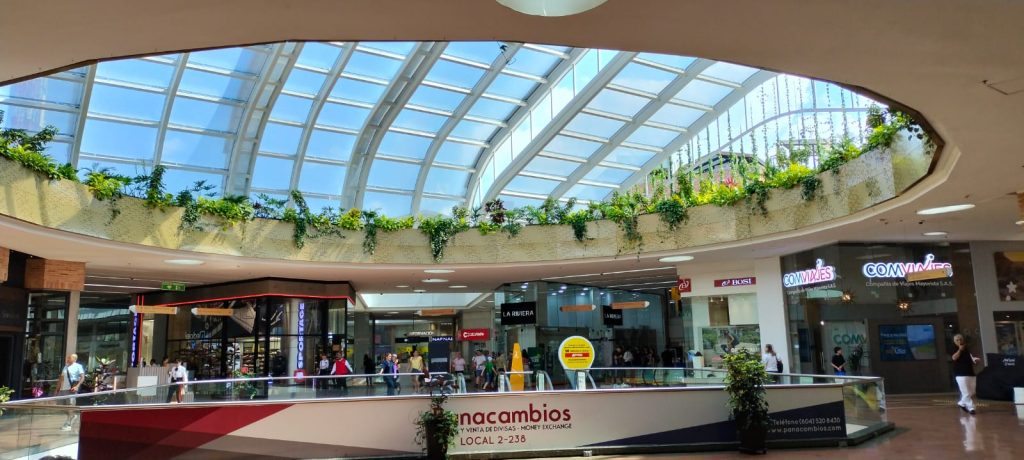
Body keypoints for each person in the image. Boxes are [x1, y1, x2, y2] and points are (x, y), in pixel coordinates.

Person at [952, 333, 981, 414]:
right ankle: (971, 408)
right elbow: (954, 357)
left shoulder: (966, 349)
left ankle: (961, 402)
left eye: (960, 339)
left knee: (972, 391)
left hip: (970, 373)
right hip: (960, 374)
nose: (959, 341)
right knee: (966, 392)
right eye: (957, 340)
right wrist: (960, 350)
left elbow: (970, 357)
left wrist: (974, 359)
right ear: (954, 342)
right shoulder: (954, 348)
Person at [56, 353, 85, 431]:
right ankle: (72, 416)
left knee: (70, 406)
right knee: (60, 406)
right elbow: (61, 378)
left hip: (71, 389)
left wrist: (77, 386)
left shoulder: (78, 366)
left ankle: (68, 424)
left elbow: (82, 377)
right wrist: (57, 389)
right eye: (67, 358)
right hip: (62, 389)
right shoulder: (65, 366)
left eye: (69, 358)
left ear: (74, 359)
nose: (67, 359)